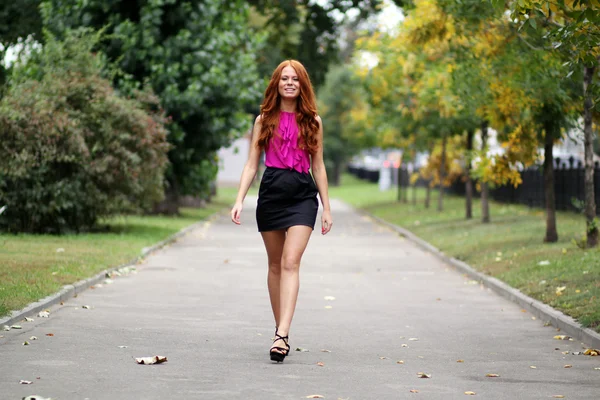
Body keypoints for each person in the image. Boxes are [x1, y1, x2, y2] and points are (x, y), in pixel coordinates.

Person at [230, 59, 333, 363]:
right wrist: (239, 200)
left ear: (303, 85)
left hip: (302, 193)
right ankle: (280, 328)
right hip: (272, 191)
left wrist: (327, 207)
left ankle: (282, 334)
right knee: (275, 265)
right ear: (276, 83)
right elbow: (252, 164)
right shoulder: (264, 119)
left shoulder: (313, 121)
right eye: (284, 78)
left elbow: (318, 165)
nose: (289, 83)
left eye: (295, 79)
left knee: (290, 262)